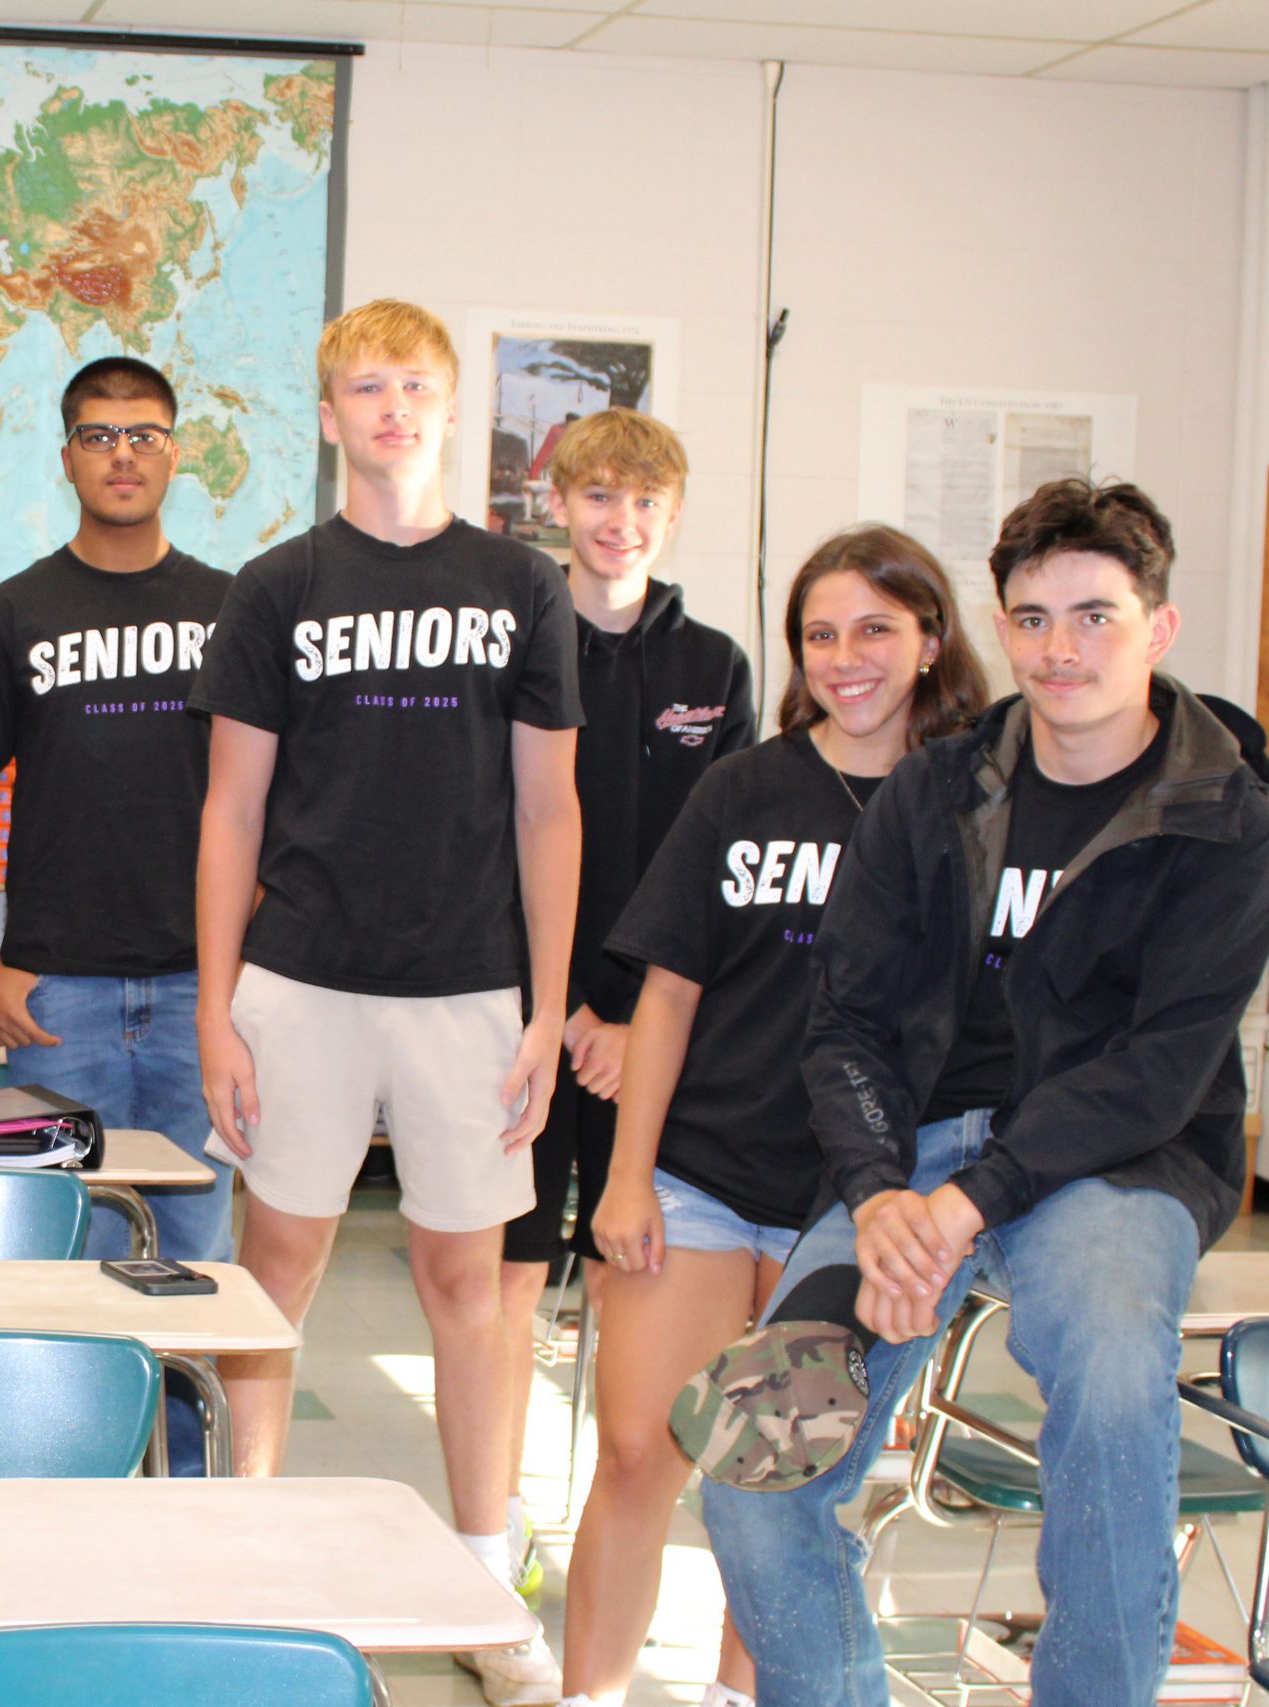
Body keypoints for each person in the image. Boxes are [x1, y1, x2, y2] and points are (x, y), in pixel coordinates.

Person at [697, 480, 1269, 1707]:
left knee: (1116, 1396)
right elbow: (844, 1018)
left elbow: (1160, 1066)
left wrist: (964, 1202)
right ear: (998, 630)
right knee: (749, 1462)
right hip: (911, 1161)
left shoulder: (1227, 814)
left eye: (1095, 615)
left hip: (1118, 1164)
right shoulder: (935, 790)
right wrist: (873, 1189)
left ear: (1158, 629)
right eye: (1031, 618)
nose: (1061, 649)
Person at [189, 298, 581, 1704]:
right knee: (275, 1266)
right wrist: (217, 1002)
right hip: (299, 982)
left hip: (472, 988)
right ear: (329, 415)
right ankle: (243, 1562)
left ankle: (484, 1580)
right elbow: (231, 811)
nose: (394, 410)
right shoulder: (278, 584)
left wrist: (544, 1005)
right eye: (367, 387)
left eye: (417, 386)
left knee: (467, 1283)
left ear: (448, 406)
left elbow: (551, 808)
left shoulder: (520, 585)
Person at [554, 528, 987, 1707]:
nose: (845, 658)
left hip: (849, 1201)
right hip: (699, 1171)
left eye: (874, 629)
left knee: (770, 1477)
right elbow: (669, 989)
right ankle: (588, 1694)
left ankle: (742, 1695)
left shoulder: (972, 803)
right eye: (819, 634)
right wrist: (625, 1178)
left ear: (930, 640)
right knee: (639, 1450)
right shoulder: (745, 784)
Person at [0, 355, 232, 1470]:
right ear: (66, 456)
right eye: (99, 435)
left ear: (174, 451)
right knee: (64, 1254)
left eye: (144, 434)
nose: (122, 454)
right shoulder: (13, 613)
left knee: (196, 1261)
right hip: (60, 998)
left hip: (205, 995)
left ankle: (188, 1495)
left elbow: (272, 802)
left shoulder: (230, 607)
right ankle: (69, 1474)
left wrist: (245, 978)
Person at [494, 409, 754, 1598]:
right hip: (523, 1018)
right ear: (558, 505)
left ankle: (606, 1520)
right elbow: (494, 834)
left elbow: (716, 871)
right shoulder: (515, 639)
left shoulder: (716, 669)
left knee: (624, 1278)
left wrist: (626, 1021)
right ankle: (489, 1536)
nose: (620, 522)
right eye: (598, 497)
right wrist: (556, 1010)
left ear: (672, 514)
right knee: (502, 1278)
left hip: (647, 1032)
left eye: (644, 502)